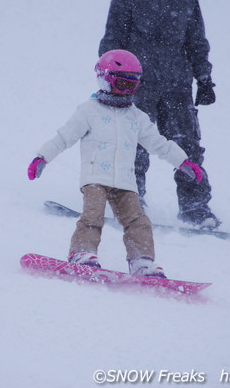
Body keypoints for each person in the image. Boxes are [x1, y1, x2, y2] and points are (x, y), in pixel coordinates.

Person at [27, 49, 204, 278]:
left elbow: (159, 143)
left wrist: (182, 162)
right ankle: (82, 253)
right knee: (92, 216)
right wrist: (42, 157)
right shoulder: (88, 111)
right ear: (105, 79)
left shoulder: (136, 117)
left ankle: (142, 261)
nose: (126, 91)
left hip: (125, 182)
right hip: (95, 179)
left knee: (138, 221)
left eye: (132, 86)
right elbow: (64, 137)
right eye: (122, 84)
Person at [98, 0, 219, 228]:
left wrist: (204, 78)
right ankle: (130, 202)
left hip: (177, 85)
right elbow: (113, 39)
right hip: (135, 86)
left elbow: (196, 39)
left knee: (186, 147)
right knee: (133, 146)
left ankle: (196, 209)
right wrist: (109, 78)